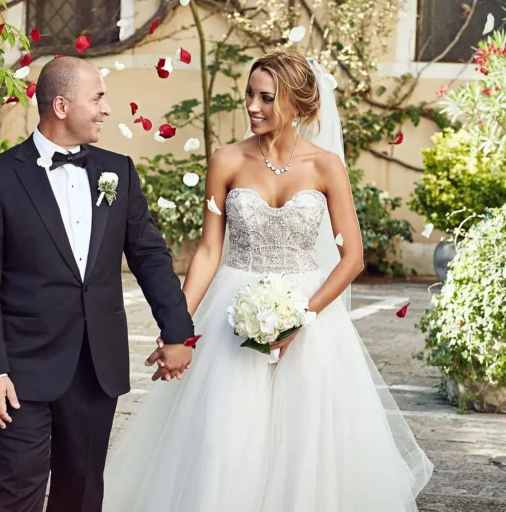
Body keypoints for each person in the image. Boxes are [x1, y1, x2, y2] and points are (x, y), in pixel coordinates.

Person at [103, 48, 433, 511]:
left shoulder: (325, 167)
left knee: (307, 445)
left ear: (297, 104)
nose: (253, 107)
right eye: (249, 94)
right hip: (231, 318)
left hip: (311, 320)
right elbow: (208, 251)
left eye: (266, 97)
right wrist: (178, 327)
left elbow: (352, 258)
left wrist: (303, 316)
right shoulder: (227, 161)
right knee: (223, 437)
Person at [0, 56, 197, 512]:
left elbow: (149, 257)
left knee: (82, 489)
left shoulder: (118, 170)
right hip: (21, 368)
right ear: (62, 106)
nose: (107, 109)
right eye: (99, 98)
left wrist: (178, 332)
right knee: (19, 483)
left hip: (95, 363)